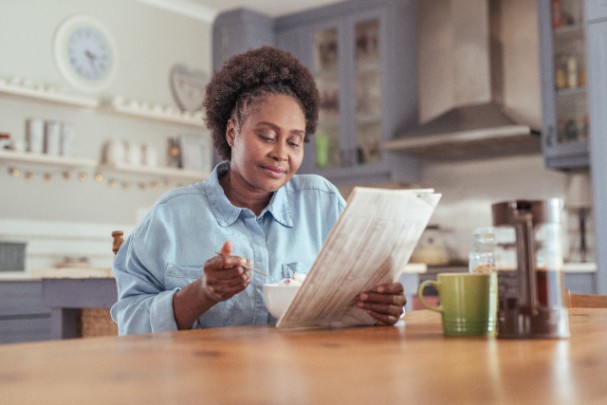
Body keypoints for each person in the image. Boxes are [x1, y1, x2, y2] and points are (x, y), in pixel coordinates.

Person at [110, 46, 406, 335]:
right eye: (267, 136)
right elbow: (130, 322)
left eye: (294, 142)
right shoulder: (171, 216)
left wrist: (386, 308)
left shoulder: (322, 204)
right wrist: (202, 293)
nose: (281, 154)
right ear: (232, 131)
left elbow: (364, 301)